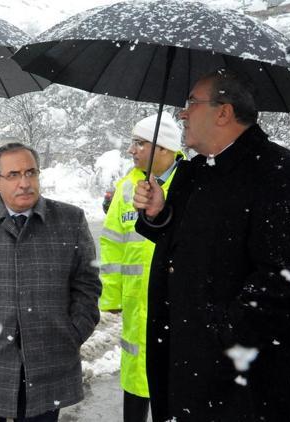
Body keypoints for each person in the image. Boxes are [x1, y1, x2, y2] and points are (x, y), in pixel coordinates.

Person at [133, 69, 290, 421]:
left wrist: (220, 334)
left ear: (223, 112)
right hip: (186, 365)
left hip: (244, 383)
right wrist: (158, 214)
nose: (182, 113)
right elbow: (188, 246)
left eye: (192, 103)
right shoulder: (195, 172)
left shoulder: (280, 173)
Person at [0, 142, 101, 422]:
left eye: (31, 173)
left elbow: (87, 284)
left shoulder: (69, 220)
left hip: (47, 361)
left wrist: (75, 329)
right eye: (13, 175)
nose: (25, 183)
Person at [99, 112, 184, 422]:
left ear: (163, 148)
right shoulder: (126, 188)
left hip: (176, 303)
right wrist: (111, 297)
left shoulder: (188, 184)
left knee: (174, 382)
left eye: (139, 143)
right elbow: (111, 245)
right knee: (136, 377)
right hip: (136, 304)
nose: (131, 150)